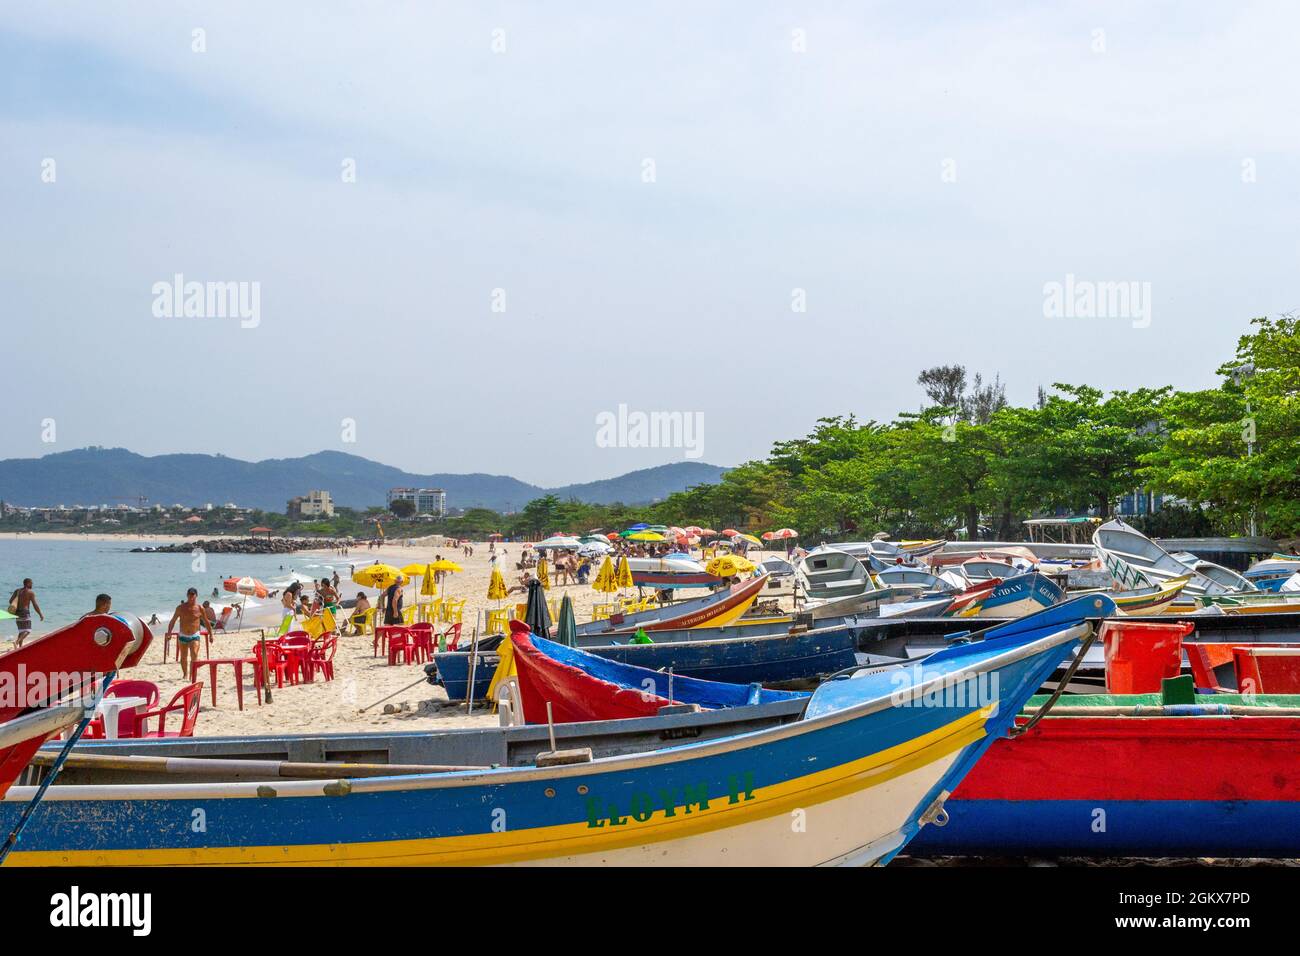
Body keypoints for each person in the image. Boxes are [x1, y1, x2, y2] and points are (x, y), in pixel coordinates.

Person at [167, 588, 206, 679]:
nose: (191, 596)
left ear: (196, 595)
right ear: (187, 595)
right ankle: (185, 674)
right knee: (183, 657)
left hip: (194, 635)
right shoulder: (180, 608)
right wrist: (169, 633)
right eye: (189, 594)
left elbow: (206, 621)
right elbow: (173, 620)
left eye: (193, 594)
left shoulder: (200, 608)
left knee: (194, 655)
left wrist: (211, 634)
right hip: (183, 635)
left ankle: (192, 674)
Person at [8, 578, 43, 648]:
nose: (32, 584)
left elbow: (10, 601)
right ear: (27, 583)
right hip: (25, 612)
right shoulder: (30, 592)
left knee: (21, 631)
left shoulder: (17, 591)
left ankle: (19, 647)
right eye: (31, 583)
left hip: (17, 613)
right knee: (27, 630)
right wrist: (40, 614)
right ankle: (17, 642)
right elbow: (35, 605)